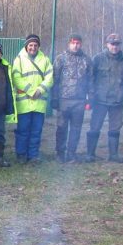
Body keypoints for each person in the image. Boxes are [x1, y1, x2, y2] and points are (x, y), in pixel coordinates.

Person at [86, 33, 123, 163]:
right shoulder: (97, 59)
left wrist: (120, 89)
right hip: (100, 99)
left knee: (115, 127)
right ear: (107, 44)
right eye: (112, 44)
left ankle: (113, 154)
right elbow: (91, 77)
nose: (115, 47)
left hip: (117, 100)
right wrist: (93, 94)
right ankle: (90, 154)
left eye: (117, 44)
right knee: (95, 126)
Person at [12, 34, 54, 163]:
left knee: (36, 131)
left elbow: (50, 77)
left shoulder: (45, 60)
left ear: (39, 46)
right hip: (24, 104)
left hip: (39, 103)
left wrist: (40, 90)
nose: (33, 47)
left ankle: (33, 155)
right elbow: (16, 77)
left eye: (35, 45)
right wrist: (31, 90)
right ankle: (21, 155)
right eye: (30, 45)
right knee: (22, 130)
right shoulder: (18, 59)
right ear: (26, 46)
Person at [52, 34, 92, 162]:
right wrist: (54, 98)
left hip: (79, 101)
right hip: (64, 99)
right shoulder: (60, 59)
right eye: (73, 43)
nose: (75, 45)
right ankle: (60, 153)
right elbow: (55, 80)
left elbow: (91, 81)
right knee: (62, 128)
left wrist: (90, 99)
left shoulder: (86, 60)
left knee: (76, 129)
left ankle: (71, 153)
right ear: (69, 43)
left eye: (78, 43)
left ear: (81, 44)